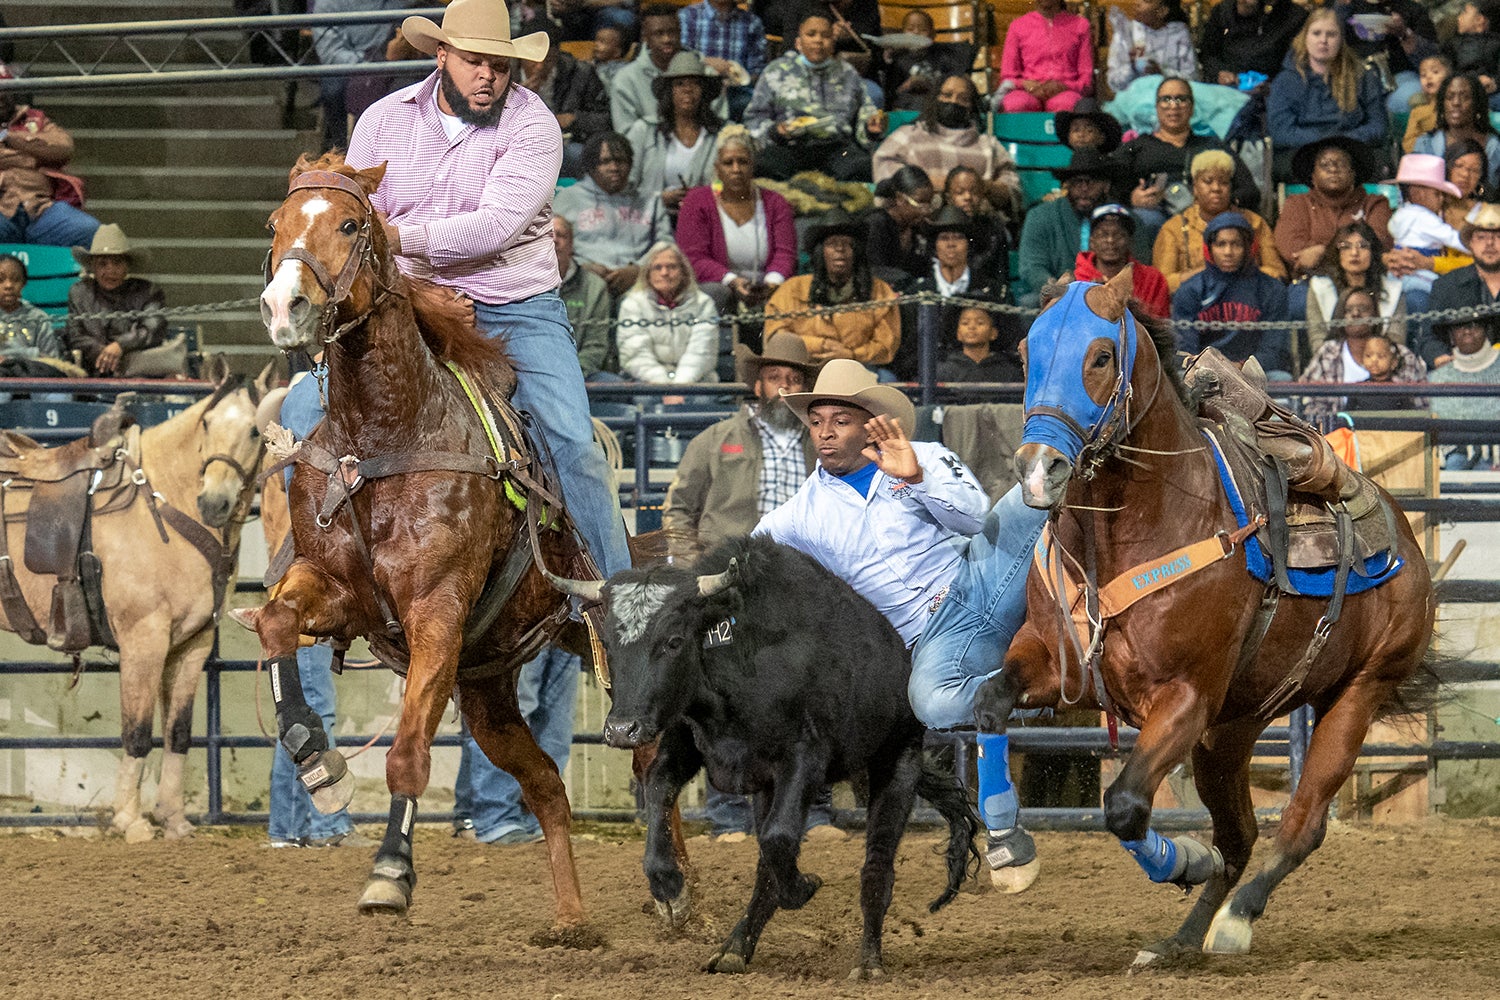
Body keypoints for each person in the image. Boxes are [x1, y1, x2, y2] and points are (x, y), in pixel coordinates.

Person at [281, 0, 634, 585]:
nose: (488, 76)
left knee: (573, 443)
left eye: (500, 65)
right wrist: (416, 292)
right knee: (299, 412)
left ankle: (621, 605)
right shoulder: (382, 120)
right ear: (441, 56)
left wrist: (394, 237)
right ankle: (317, 564)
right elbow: (355, 229)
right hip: (407, 301)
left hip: (514, 307)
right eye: (474, 61)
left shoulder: (533, 124)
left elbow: (494, 228)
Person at [754, 360, 1051, 893]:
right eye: (817, 420)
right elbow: (746, 560)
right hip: (933, 637)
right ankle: (1035, 686)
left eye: (840, 420)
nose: (824, 431)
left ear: (870, 423)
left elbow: (976, 514)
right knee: (931, 703)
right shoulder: (799, 514)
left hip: (981, 577)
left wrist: (914, 476)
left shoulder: (927, 457)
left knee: (1041, 478)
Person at [660, 332, 837, 840]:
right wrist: (695, 571)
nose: (784, 388)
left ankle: (813, 810)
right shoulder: (717, 439)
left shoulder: (820, 442)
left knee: (811, 695)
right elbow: (679, 507)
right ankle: (729, 814)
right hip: (729, 585)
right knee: (725, 699)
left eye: (794, 379)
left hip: (800, 584)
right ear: (757, 383)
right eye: (776, 378)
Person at [1109, 77, 1260, 252]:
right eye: (1166, 99)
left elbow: (1249, 190)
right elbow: (1110, 186)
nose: (1174, 106)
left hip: (1207, 218)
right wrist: (1131, 198)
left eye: (1181, 99)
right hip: (1155, 216)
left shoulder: (1212, 146)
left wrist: (1222, 202)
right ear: (1157, 106)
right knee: (1145, 220)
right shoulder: (1137, 147)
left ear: (1192, 106)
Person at [452, 645, 583, 844]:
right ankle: (495, 817)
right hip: (522, 622)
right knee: (510, 706)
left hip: (565, 619)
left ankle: (538, 817)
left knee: (556, 722)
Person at [742, 10, 885, 183]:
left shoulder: (848, 73)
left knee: (863, 168)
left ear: (833, 43)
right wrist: (775, 131)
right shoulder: (777, 71)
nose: (818, 40)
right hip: (789, 145)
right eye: (811, 34)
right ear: (798, 42)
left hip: (836, 147)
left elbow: (866, 115)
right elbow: (753, 118)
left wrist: (871, 129)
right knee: (762, 167)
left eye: (825, 35)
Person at [675, 125, 797, 322]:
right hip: (719, 286)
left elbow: (786, 254)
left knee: (790, 293)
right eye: (728, 163)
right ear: (717, 168)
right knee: (717, 293)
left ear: (753, 165)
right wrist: (732, 281)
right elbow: (693, 258)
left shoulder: (776, 203)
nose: (736, 169)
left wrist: (771, 284)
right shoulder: (696, 202)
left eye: (743, 162)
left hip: (766, 286)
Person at [763, 206, 900, 371]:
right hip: (802, 366)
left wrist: (850, 354)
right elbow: (776, 338)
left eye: (847, 244)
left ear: (857, 252)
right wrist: (821, 345)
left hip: (858, 367)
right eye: (832, 244)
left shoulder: (880, 290)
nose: (840, 249)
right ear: (820, 252)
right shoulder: (792, 289)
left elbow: (886, 346)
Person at [1267, 8, 1390, 182]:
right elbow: (1281, 133)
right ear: (1305, 38)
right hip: (1303, 153)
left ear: (1341, 39)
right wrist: (1323, 143)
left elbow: (1378, 126)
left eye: (1331, 34)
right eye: (1316, 33)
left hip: (1352, 150)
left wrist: (1345, 141)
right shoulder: (1285, 80)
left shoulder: (1363, 76)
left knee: (1381, 166)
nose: (1323, 40)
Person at [872, 75, 1021, 218]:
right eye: (947, 95)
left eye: (962, 98)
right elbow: (884, 170)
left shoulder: (988, 144)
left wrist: (981, 186)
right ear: (935, 98)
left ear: (971, 106)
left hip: (975, 225)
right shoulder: (909, 135)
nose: (953, 101)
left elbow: (1012, 189)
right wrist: (930, 182)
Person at [267, 643, 368, 848]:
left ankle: (289, 829)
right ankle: (327, 826)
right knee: (315, 713)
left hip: (297, 629)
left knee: (295, 721)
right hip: (309, 629)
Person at [553, 132, 674, 298]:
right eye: (605, 162)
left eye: (620, 161)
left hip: (640, 282)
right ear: (591, 166)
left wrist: (639, 270)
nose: (614, 168)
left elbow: (665, 245)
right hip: (583, 282)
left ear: (631, 164)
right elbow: (554, 243)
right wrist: (581, 268)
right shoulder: (568, 199)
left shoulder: (650, 201)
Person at [1172, 211, 1292, 376]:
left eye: (1236, 244)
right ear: (1209, 248)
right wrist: (1208, 368)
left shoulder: (1272, 289)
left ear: (1249, 247)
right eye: (1221, 244)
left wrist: (1241, 367)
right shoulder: (1190, 290)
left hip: (1253, 373)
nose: (1228, 252)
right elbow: (1184, 347)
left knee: (1282, 377)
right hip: (1203, 373)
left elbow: (1274, 349)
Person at [897, 205, 1009, 379]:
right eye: (944, 238)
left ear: (969, 245)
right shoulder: (916, 293)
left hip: (982, 375)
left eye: (958, 237)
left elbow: (1006, 342)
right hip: (927, 377)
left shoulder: (993, 292)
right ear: (935, 246)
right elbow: (907, 350)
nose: (951, 244)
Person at [1153, 149, 1283, 293]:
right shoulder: (1174, 228)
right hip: (1195, 304)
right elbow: (1162, 283)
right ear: (1195, 188)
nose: (1216, 188)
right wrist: (1210, 272)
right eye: (1208, 181)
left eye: (1224, 182)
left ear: (1231, 188)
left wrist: (1241, 274)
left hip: (1248, 300)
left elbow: (1278, 274)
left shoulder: (1254, 223)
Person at [0, 75, 102, 249]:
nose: (1, 96)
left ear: (13, 92)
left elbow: (64, 148)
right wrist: (36, 156)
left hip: (40, 208)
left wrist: (10, 138)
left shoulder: (36, 120)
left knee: (90, 230)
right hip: (3, 208)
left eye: (5, 90)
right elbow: (49, 152)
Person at [1274, 135, 1393, 281]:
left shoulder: (1375, 204)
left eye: (1341, 164)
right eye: (1325, 164)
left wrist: (1322, 251)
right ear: (1313, 176)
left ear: (1353, 173)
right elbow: (1289, 245)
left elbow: (1377, 244)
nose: (1333, 169)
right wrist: (1350, 249)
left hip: (1363, 282)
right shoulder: (1297, 203)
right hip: (1311, 280)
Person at [1298, 286, 1425, 422]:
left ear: (1375, 315)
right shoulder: (1327, 353)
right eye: (1348, 310)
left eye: (1363, 309)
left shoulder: (1403, 356)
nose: (1356, 314)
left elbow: (1421, 410)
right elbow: (1311, 405)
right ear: (1340, 315)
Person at [1015, 147, 1118, 307]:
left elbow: (1136, 264)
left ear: (1106, 185)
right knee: (1029, 302)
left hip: (1110, 295)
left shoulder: (1123, 219)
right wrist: (1059, 291)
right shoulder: (1040, 215)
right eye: (1077, 182)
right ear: (1066, 185)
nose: (1084, 188)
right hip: (1058, 295)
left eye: (1091, 182)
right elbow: (1032, 268)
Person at [624, 51, 724, 213]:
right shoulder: (644, 130)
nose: (688, 90)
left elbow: (726, 184)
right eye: (680, 84)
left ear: (704, 91)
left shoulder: (721, 135)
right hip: (650, 220)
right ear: (669, 91)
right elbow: (624, 184)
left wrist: (703, 197)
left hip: (705, 218)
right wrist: (660, 198)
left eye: (695, 83)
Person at [65, 224, 169, 377]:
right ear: (93, 267)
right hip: (91, 370)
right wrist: (103, 354)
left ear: (127, 266)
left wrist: (120, 346)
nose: (110, 270)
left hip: (139, 373)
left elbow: (152, 328)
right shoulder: (79, 293)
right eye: (102, 264)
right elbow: (75, 335)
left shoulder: (149, 291)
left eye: (117, 263)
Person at [610, 5, 728, 134]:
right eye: (658, 33)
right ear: (645, 37)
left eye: (672, 32)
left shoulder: (707, 74)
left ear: (680, 32)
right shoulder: (625, 80)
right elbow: (625, 135)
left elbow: (719, 127)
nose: (667, 39)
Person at [615, 240, 720, 385]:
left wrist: (679, 387)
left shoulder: (703, 303)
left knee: (701, 401)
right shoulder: (632, 304)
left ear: (683, 271)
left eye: (672, 267)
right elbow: (635, 354)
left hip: (694, 381)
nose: (664, 273)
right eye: (657, 267)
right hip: (647, 382)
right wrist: (664, 386)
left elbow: (702, 352)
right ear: (647, 273)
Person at [517, 19, 612, 178]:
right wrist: (517, 99)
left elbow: (605, 119)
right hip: (519, 144)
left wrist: (575, 119)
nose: (539, 66)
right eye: (532, 58)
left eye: (547, 60)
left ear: (556, 55)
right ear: (520, 55)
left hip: (564, 144)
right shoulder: (503, 72)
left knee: (581, 154)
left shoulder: (581, 73)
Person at [1305, 221, 1407, 368]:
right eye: (1346, 247)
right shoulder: (1320, 288)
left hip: (1381, 367)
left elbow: (1396, 339)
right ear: (1337, 252)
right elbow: (1317, 339)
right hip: (1332, 366)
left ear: (1373, 252)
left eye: (1363, 246)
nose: (1354, 253)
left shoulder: (1393, 289)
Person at [309, 1, 406, 152]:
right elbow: (331, 54)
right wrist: (375, 62)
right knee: (333, 89)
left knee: (409, 86)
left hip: (394, 62)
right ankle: (340, 151)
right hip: (351, 66)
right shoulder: (327, 4)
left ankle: (396, 149)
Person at [1419, 202, 1500, 368]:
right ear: (1471, 243)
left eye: (1498, 237)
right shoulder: (1447, 285)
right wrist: (1441, 358)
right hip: (1463, 373)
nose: (1489, 244)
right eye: (1481, 237)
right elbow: (1428, 338)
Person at [1384, 152, 1467, 311]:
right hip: (1420, 275)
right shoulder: (1425, 218)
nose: (1441, 200)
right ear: (1418, 193)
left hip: (1396, 277)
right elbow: (1452, 238)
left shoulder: (1401, 214)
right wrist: (1474, 244)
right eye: (1437, 194)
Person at [1333, 0, 1440, 115]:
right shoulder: (1345, 7)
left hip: (1400, 79)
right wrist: (1341, 10)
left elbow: (1434, 62)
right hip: (1356, 80)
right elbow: (1329, 44)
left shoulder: (1412, 10)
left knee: (1414, 96)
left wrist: (1404, 35)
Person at [1072, 204, 1170, 318]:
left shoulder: (1153, 280)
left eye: (1119, 235)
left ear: (1130, 240)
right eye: (1103, 235)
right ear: (1092, 241)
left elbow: (1160, 327)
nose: (1110, 240)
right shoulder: (1076, 281)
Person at [1428, 316, 1500, 468]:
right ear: (1451, 335)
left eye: (1474, 325)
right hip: (1453, 460)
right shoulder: (1437, 378)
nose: (1467, 331)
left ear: (1486, 330)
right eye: (1460, 327)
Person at [677, 0, 768, 121]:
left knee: (756, 105)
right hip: (698, 89)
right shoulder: (687, 17)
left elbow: (758, 71)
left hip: (736, 94)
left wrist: (737, 76)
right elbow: (678, 59)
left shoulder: (751, 22)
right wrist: (705, 62)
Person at [996, 0, 1093, 113]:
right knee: (1016, 104)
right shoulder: (1018, 26)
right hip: (1027, 90)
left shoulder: (1080, 25)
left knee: (1066, 104)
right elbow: (1008, 76)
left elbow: (1086, 79)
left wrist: (1064, 86)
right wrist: (1024, 84)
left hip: (1066, 91)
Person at [1412, 73, 1500, 189]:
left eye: (1465, 97)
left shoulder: (1492, 146)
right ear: (1442, 104)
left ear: (1477, 103)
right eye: (1449, 97)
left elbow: (1491, 193)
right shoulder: (1425, 143)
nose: (1456, 103)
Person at [554, 215, 615, 380]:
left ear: (571, 244)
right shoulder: (524, 285)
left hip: (580, 374)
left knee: (613, 385)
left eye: (561, 235)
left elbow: (596, 346)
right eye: (548, 236)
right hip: (537, 375)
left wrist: (571, 376)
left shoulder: (594, 287)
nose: (554, 240)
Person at [1198, 0, 1307, 90]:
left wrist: (1271, 85)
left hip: (1272, 90)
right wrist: (1219, 72)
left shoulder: (1297, 17)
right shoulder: (1225, 10)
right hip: (1226, 88)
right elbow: (1207, 53)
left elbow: (1297, 64)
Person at [1104, 0, 1196, 95]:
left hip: (1171, 101)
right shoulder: (1126, 33)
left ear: (1162, 11)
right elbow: (1113, 84)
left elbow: (1193, 80)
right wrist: (1131, 67)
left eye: (1146, 1)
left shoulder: (1178, 33)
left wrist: (1162, 73)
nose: (1137, 3)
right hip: (1134, 102)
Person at [942, 165, 1013, 286]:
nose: (968, 197)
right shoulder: (937, 229)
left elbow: (1001, 276)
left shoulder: (994, 230)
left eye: (974, 192)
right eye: (960, 192)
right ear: (949, 198)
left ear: (981, 195)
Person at [866, 165, 935, 287]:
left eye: (929, 203)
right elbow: (875, 270)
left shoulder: (920, 228)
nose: (926, 211)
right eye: (920, 203)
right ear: (899, 198)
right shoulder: (877, 224)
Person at [0, 253, 66, 369]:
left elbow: (51, 362)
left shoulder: (38, 318)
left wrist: (12, 358)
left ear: (24, 284)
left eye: (16, 280)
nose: (8, 285)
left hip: (30, 381)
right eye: (1, 280)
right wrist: (34, 353)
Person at [935, 306, 1022, 391]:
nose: (971, 327)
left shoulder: (1008, 372)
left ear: (993, 333)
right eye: (965, 323)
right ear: (958, 333)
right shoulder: (944, 371)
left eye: (980, 323)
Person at [1445, 2, 1500, 109]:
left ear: (1479, 19)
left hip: (1493, 95)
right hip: (1462, 95)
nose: (1458, 18)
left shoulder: (1496, 42)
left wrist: (1495, 84)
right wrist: (1472, 81)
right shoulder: (1451, 44)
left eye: (1464, 13)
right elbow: (1447, 70)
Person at [1403, 53, 1453, 153]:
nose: (1428, 77)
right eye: (1423, 75)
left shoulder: (1457, 105)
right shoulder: (1418, 112)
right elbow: (1407, 143)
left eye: (1435, 72)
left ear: (1449, 77)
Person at [1053, 98, 1123, 156]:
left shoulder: (1112, 169)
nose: (1081, 135)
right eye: (1076, 130)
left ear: (1102, 137)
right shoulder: (1063, 172)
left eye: (1089, 130)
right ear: (1068, 137)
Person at [589, 24, 629, 88]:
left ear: (617, 52)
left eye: (602, 42)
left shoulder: (621, 69)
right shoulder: (595, 63)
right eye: (596, 40)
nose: (596, 44)